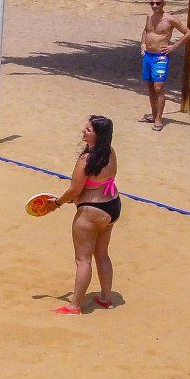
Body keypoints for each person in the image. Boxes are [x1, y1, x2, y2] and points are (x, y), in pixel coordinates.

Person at [53, 115, 119, 315]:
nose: (83, 130)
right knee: (102, 253)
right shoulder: (110, 152)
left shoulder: (86, 160)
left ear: (97, 136)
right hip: (112, 206)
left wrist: (56, 203)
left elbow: (75, 190)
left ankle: (74, 306)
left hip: (92, 210)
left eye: (88, 129)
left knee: (83, 260)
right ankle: (106, 299)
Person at [140, 0, 190, 131]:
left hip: (160, 57)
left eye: (157, 3)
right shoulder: (149, 17)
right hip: (148, 56)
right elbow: (146, 31)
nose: (154, 6)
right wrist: (143, 44)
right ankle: (153, 115)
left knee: (158, 88)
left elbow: (188, 33)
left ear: (164, 4)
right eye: (152, 3)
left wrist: (174, 46)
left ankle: (158, 119)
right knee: (150, 87)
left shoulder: (170, 19)